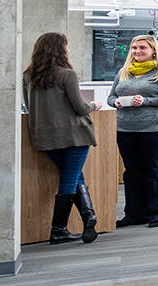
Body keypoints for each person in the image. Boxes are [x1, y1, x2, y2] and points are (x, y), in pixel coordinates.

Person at [22, 31, 103, 245]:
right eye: (67, 45)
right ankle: (59, 230)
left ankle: (88, 216)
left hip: (45, 138)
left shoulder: (28, 76)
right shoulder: (67, 74)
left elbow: (29, 107)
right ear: (60, 49)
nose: (69, 49)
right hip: (75, 135)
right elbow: (80, 107)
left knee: (74, 175)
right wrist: (94, 105)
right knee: (69, 178)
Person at [110, 34, 158, 228]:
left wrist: (146, 101)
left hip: (155, 126)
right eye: (134, 48)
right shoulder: (124, 71)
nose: (137, 51)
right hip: (125, 127)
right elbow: (111, 96)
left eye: (142, 48)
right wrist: (115, 102)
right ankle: (134, 214)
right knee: (132, 171)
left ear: (153, 50)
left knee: (155, 170)